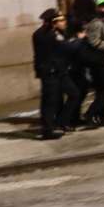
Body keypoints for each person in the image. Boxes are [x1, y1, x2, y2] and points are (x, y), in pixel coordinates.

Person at [33, 9, 77, 137]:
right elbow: (67, 47)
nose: (64, 22)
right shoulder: (46, 35)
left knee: (74, 94)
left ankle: (61, 122)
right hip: (50, 72)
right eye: (61, 20)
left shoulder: (53, 33)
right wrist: (77, 39)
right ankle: (48, 130)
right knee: (49, 101)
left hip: (59, 71)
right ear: (53, 22)